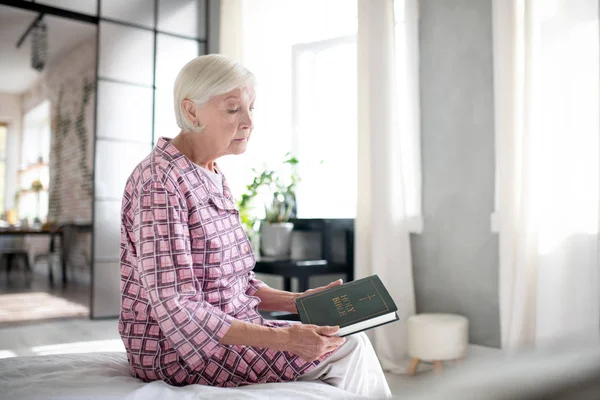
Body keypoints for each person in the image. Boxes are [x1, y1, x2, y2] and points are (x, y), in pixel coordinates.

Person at [118, 54, 391, 398]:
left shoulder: (212, 172)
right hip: (176, 351)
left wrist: (299, 302)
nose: (248, 121)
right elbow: (177, 306)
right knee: (348, 349)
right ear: (191, 111)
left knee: (344, 339)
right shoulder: (160, 181)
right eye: (233, 109)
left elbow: (236, 282)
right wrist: (286, 338)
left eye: (251, 108)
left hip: (229, 331)